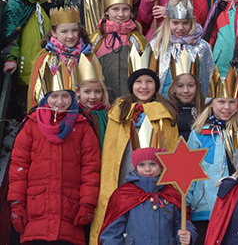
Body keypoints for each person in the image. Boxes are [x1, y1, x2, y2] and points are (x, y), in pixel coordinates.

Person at [8, 65, 101, 245]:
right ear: (45, 98)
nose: (60, 101)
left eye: (65, 96)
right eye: (54, 96)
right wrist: (16, 203)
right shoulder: (31, 124)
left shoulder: (82, 125)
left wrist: (87, 203)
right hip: (35, 212)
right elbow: (18, 167)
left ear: (73, 96)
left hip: (70, 213)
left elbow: (91, 169)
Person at [89, 59, 179, 244]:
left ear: (156, 85)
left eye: (149, 82)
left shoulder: (166, 113)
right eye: (139, 82)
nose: (143, 86)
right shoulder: (119, 112)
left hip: (156, 183)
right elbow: (111, 152)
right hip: (125, 179)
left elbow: (172, 152)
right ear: (131, 86)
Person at [187, 67, 238, 244]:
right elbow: (189, 171)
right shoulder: (198, 132)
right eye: (221, 101)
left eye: (232, 102)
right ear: (211, 102)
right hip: (205, 208)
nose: (226, 107)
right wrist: (186, 204)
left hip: (236, 206)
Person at [99, 146, 197, 244]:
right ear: (135, 167)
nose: (147, 169)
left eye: (153, 164)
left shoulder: (170, 193)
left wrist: (187, 235)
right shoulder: (124, 195)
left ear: (161, 166)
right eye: (141, 165)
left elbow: (181, 223)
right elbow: (112, 233)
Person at [1, 0, 50, 116]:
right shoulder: (17, 4)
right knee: (26, 107)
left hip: (44, 65)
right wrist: (10, 58)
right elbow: (10, 35)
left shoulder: (45, 3)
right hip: (25, 65)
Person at [28, 6, 94, 109]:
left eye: (74, 30)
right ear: (53, 32)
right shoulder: (47, 57)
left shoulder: (87, 54)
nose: (71, 36)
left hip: (83, 113)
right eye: (64, 31)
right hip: (55, 110)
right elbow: (37, 91)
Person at [93, 0, 147, 104]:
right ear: (106, 11)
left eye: (125, 9)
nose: (121, 14)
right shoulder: (96, 39)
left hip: (131, 101)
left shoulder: (137, 39)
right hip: (105, 102)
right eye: (115, 9)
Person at [150, 0, 214, 96]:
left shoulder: (202, 47)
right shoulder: (157, 45)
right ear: (167, 21)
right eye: (175, 23)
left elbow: (209, 81)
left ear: (192, 21)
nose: (180, 27)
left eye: (185, 23)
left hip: (192, 104)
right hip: (164, 104)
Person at [75, 53, 109, 152]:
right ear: (78, 92)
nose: (93, 97)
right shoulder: (76, 114)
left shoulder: (107, 113)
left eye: (97, 92)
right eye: (87, 92)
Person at [168, 73, 205, 140]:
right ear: (174, 89)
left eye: (191, 85)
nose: (186, 91)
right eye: (180, 86)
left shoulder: (205, 110)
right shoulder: (167, 111)